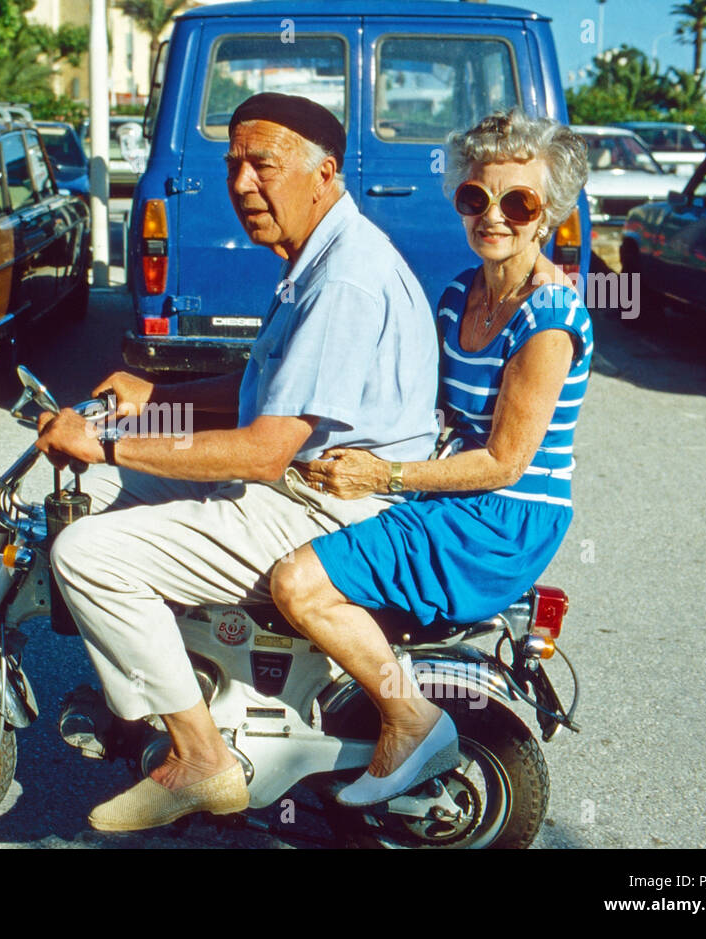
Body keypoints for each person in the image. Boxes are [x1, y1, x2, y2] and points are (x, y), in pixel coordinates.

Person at [35, 92, 441, 832]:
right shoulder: (320, 256)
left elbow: (263, 449)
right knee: (113, 486)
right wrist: (157, 396)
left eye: (265, 164)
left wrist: (105, 440)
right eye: (233, 165)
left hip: (326, 504)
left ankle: (201, 758)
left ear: (323, 173)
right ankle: (176, 665)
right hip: (304, 482)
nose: (244, 183)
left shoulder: (343, 278)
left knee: (87, 552)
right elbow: (264, 393)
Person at [269, 108, 591, 807]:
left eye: (519, 202)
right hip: (450, 494)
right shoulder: (458, 295)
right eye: (475, 197)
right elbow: (422, 408)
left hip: (501, 518)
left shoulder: (550, 319)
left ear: (551, 215)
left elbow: (505, 462)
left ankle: (408, 719)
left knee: (297, 583)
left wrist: (377, 473)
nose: (493, 215)